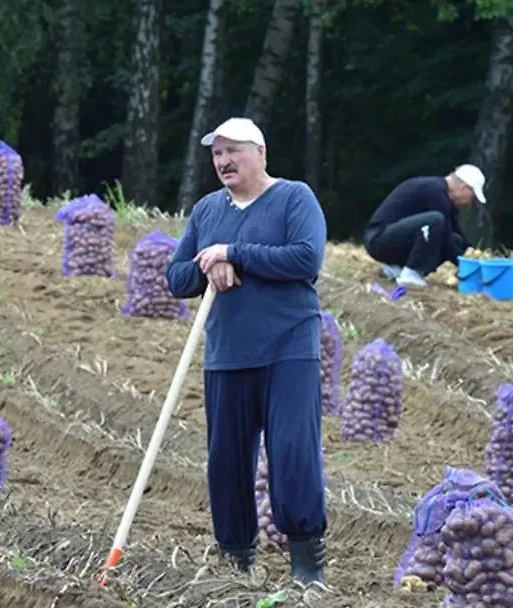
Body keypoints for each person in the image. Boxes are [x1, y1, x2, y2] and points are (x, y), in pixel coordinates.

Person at [165, 117, 328, 587]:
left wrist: (234, 252)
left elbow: (305, 258)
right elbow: (177, 278)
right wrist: (208, 263)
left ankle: (308, 565)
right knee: (226, 459)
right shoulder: (207, 210)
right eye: (216, 153)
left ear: (260, 152)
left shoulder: (294, 198)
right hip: (228, 353)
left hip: (288, 348)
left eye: (233, 151)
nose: (223, 161)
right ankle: (235, 561)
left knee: (292, 450)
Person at [362, 165, 486, 288]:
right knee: (435, 221)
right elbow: (446, 239)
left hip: (393, 238)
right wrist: (466, 266)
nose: (471, 201)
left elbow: (454, 234)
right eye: (472, 196)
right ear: (463, 188)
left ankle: (396, 269)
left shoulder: (441, 194)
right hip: (378, 239)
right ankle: (411, 274)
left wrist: (472, 256)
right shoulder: (435, 192)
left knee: (454, 238)